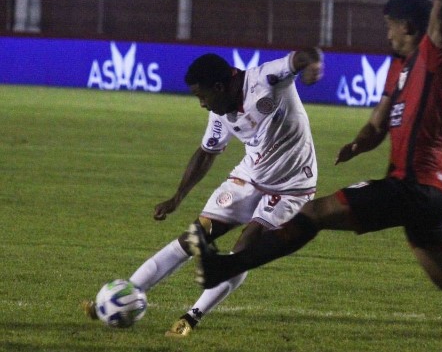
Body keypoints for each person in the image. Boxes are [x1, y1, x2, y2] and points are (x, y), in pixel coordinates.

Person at [187, 0, 442, 351]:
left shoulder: (432, 55)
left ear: (407, 25)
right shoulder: (397, 68)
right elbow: (378, 123)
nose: (386, 33)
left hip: (415, 185)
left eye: (390, 26)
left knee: (314, 213)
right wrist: (359, 143)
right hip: (424, 196)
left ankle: (224, 269)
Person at [82, 48, 324, 336]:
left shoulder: (265, 79)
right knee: (194, 237)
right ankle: (122, 297)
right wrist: (177, 197)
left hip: (291, 187)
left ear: (220, 87)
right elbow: (206, 153)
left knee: (243, 250)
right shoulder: (220, 112)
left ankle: (190, 318)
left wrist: (313, 65)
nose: (202, 104)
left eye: (202, 96)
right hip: (249, 178)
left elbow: (303, 55)